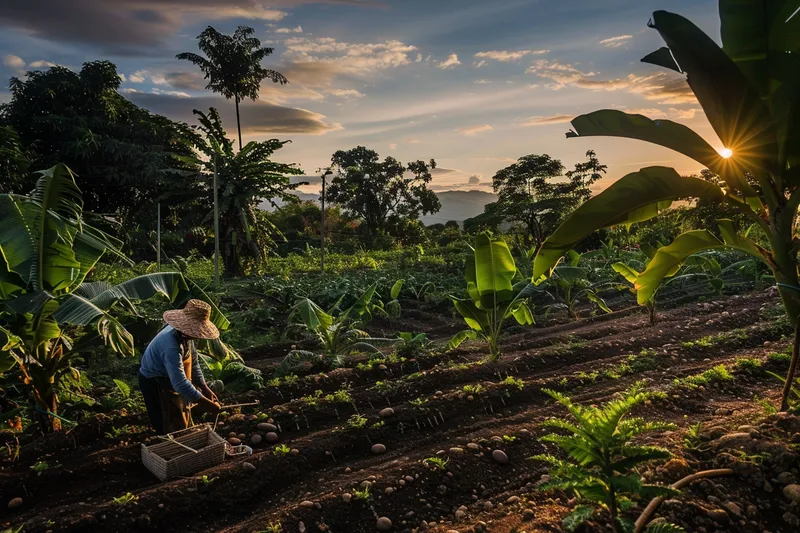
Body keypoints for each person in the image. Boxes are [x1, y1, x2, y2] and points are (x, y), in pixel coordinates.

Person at [138, 299, 221, 434]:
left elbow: (194, 362)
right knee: (165, 422)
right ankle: (167, 448)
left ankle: (182, 436)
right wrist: (206, 404)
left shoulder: (187, 336)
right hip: (154, 381)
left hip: (170, 378)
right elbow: (181, 384)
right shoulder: (171, 346)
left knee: (179, 413)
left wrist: (204, 387)